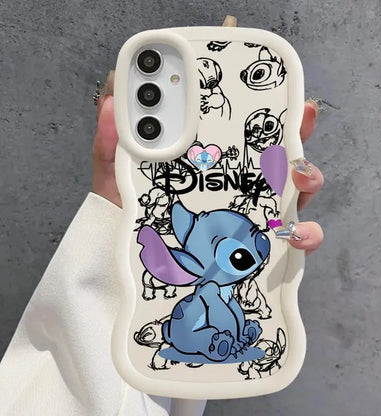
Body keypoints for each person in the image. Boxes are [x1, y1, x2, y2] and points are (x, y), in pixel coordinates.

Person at [0, 16, 324, 416]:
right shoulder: (204, 285)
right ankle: (214, 342)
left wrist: (276, 217)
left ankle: (226, 340)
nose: (255, 247)